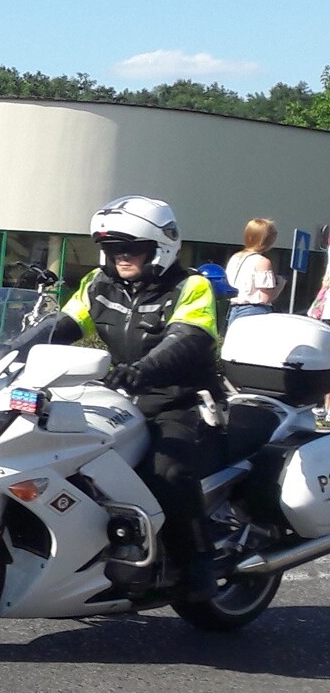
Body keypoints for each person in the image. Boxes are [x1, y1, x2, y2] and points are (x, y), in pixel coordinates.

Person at [45, 195, 221, 602]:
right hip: (118, 396)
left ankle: (197, 564)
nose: (121, 256)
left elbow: (188, 338)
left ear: (160, 247)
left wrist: (143, 370)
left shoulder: (190, 286)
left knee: (166, 471)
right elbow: (64, 324)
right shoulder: (98, 284)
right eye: (112, 248)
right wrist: (10, 348)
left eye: (132, 248)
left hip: (179, 400)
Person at [224, 219, 285, 328]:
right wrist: (280, 285)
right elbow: (265, 298)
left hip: (233, 310)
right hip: (254, 312)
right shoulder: (262, 262)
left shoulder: (235, 258)